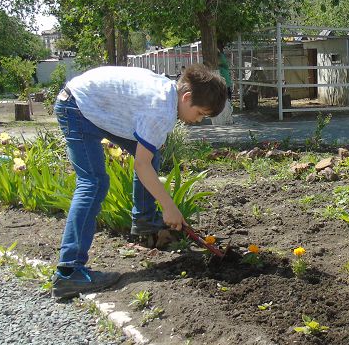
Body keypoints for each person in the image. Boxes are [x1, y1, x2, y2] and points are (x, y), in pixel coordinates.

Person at [51, 64, 227, 299]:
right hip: (77, 107)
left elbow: (146, 156)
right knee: (93, 183)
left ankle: (144, 218)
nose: (198, 120)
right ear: (186, 98)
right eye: (200, 114)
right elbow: (141, 166)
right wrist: (169, 207)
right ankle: (69, 271)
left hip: (93, 104)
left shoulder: (167, 93)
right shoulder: (160, 111)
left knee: (151, 152)